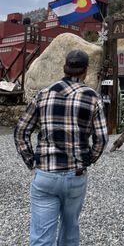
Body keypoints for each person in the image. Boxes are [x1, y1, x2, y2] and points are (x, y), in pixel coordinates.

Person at [14, 50, 108, 246]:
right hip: (76, 174)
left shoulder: (44, 94)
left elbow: (20, 131)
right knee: (70, 229)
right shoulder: (93, 98)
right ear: (85, 71)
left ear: (64, 67)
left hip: (46, 175)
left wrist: (32, 161)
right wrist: (88, 159)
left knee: (41, 237)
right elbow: (101, 139)